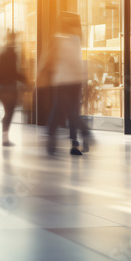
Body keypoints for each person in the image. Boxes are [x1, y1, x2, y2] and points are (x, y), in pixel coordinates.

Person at [40, 12, 92, 156]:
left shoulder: (58, 39)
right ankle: (75, 142)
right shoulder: (76, 39)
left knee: (59, 110)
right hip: (75, 82)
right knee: (72, 111)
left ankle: (55, 139)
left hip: (63, 82)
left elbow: (48, 60)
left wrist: (42, 75)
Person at [0, 33, 26, 146]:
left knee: (8, 113)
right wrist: (24, 79)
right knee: (9, 113)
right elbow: (13, 72)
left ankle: (5, 137)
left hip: (2, 88)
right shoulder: (12, 54)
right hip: (9, 87)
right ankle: (5, 138)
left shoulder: (3, 53)